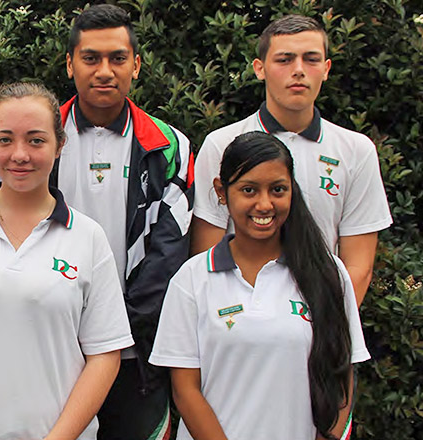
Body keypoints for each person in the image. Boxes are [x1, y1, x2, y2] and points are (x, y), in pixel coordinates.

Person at [0, 82, 134, 440]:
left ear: (59, 145)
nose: (19, 154)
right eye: (5, 140)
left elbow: (105, 354)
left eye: (35, 140)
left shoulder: (88, 237)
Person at [151, 131, 370, 440]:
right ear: (222, 192)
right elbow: (185, 390)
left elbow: (341, 374)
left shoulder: (327, 272)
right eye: (249, 190)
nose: (264, 204)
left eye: (278, 189)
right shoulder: (192, 279)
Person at [51, 4, 194, 439]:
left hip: (137, 356)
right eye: (91, 58)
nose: (104, 70)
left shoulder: (171, 145)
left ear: (135, 64)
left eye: (117, 58)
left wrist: (113, 333)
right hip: (54, 345)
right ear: (71, 64)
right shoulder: (37, 140)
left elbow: (169, 256)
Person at [191, 14, 392, 305]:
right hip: (240, 327)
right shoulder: (221, 144)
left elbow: (358, 266)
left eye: (311, 59)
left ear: (326, 69)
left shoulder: (356, 150)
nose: (298, 70)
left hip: (322, 325)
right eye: (284, 60)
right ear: (259, 69)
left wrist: (329, 327)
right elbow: (205, 256)